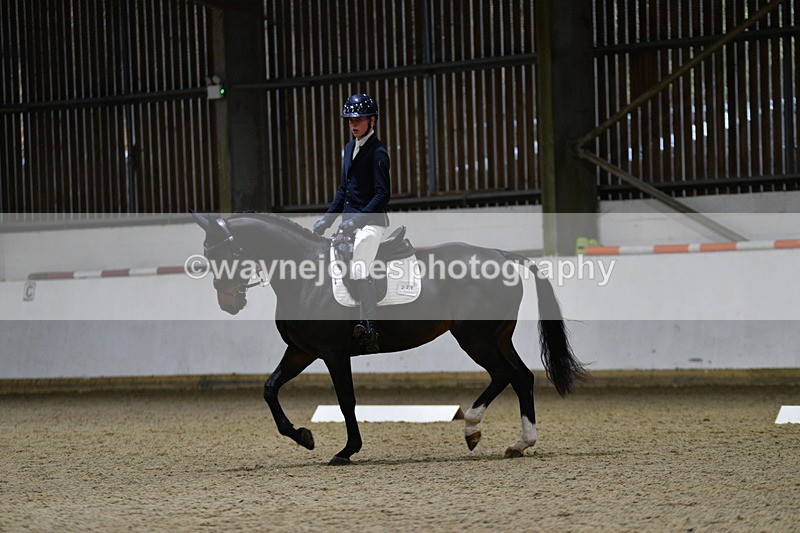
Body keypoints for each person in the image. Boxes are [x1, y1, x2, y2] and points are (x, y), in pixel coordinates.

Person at [313, 94, 390, 353]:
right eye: (350, 120)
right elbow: (343, 190)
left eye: (358, 120)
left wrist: (357, 220)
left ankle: (370, 328)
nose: (354, 125)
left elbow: (382, 195)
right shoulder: (348, 149)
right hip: (349, 223)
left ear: (372, 121)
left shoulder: (378, 153)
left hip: (371, 223)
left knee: (358, 268)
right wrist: (327, 219)